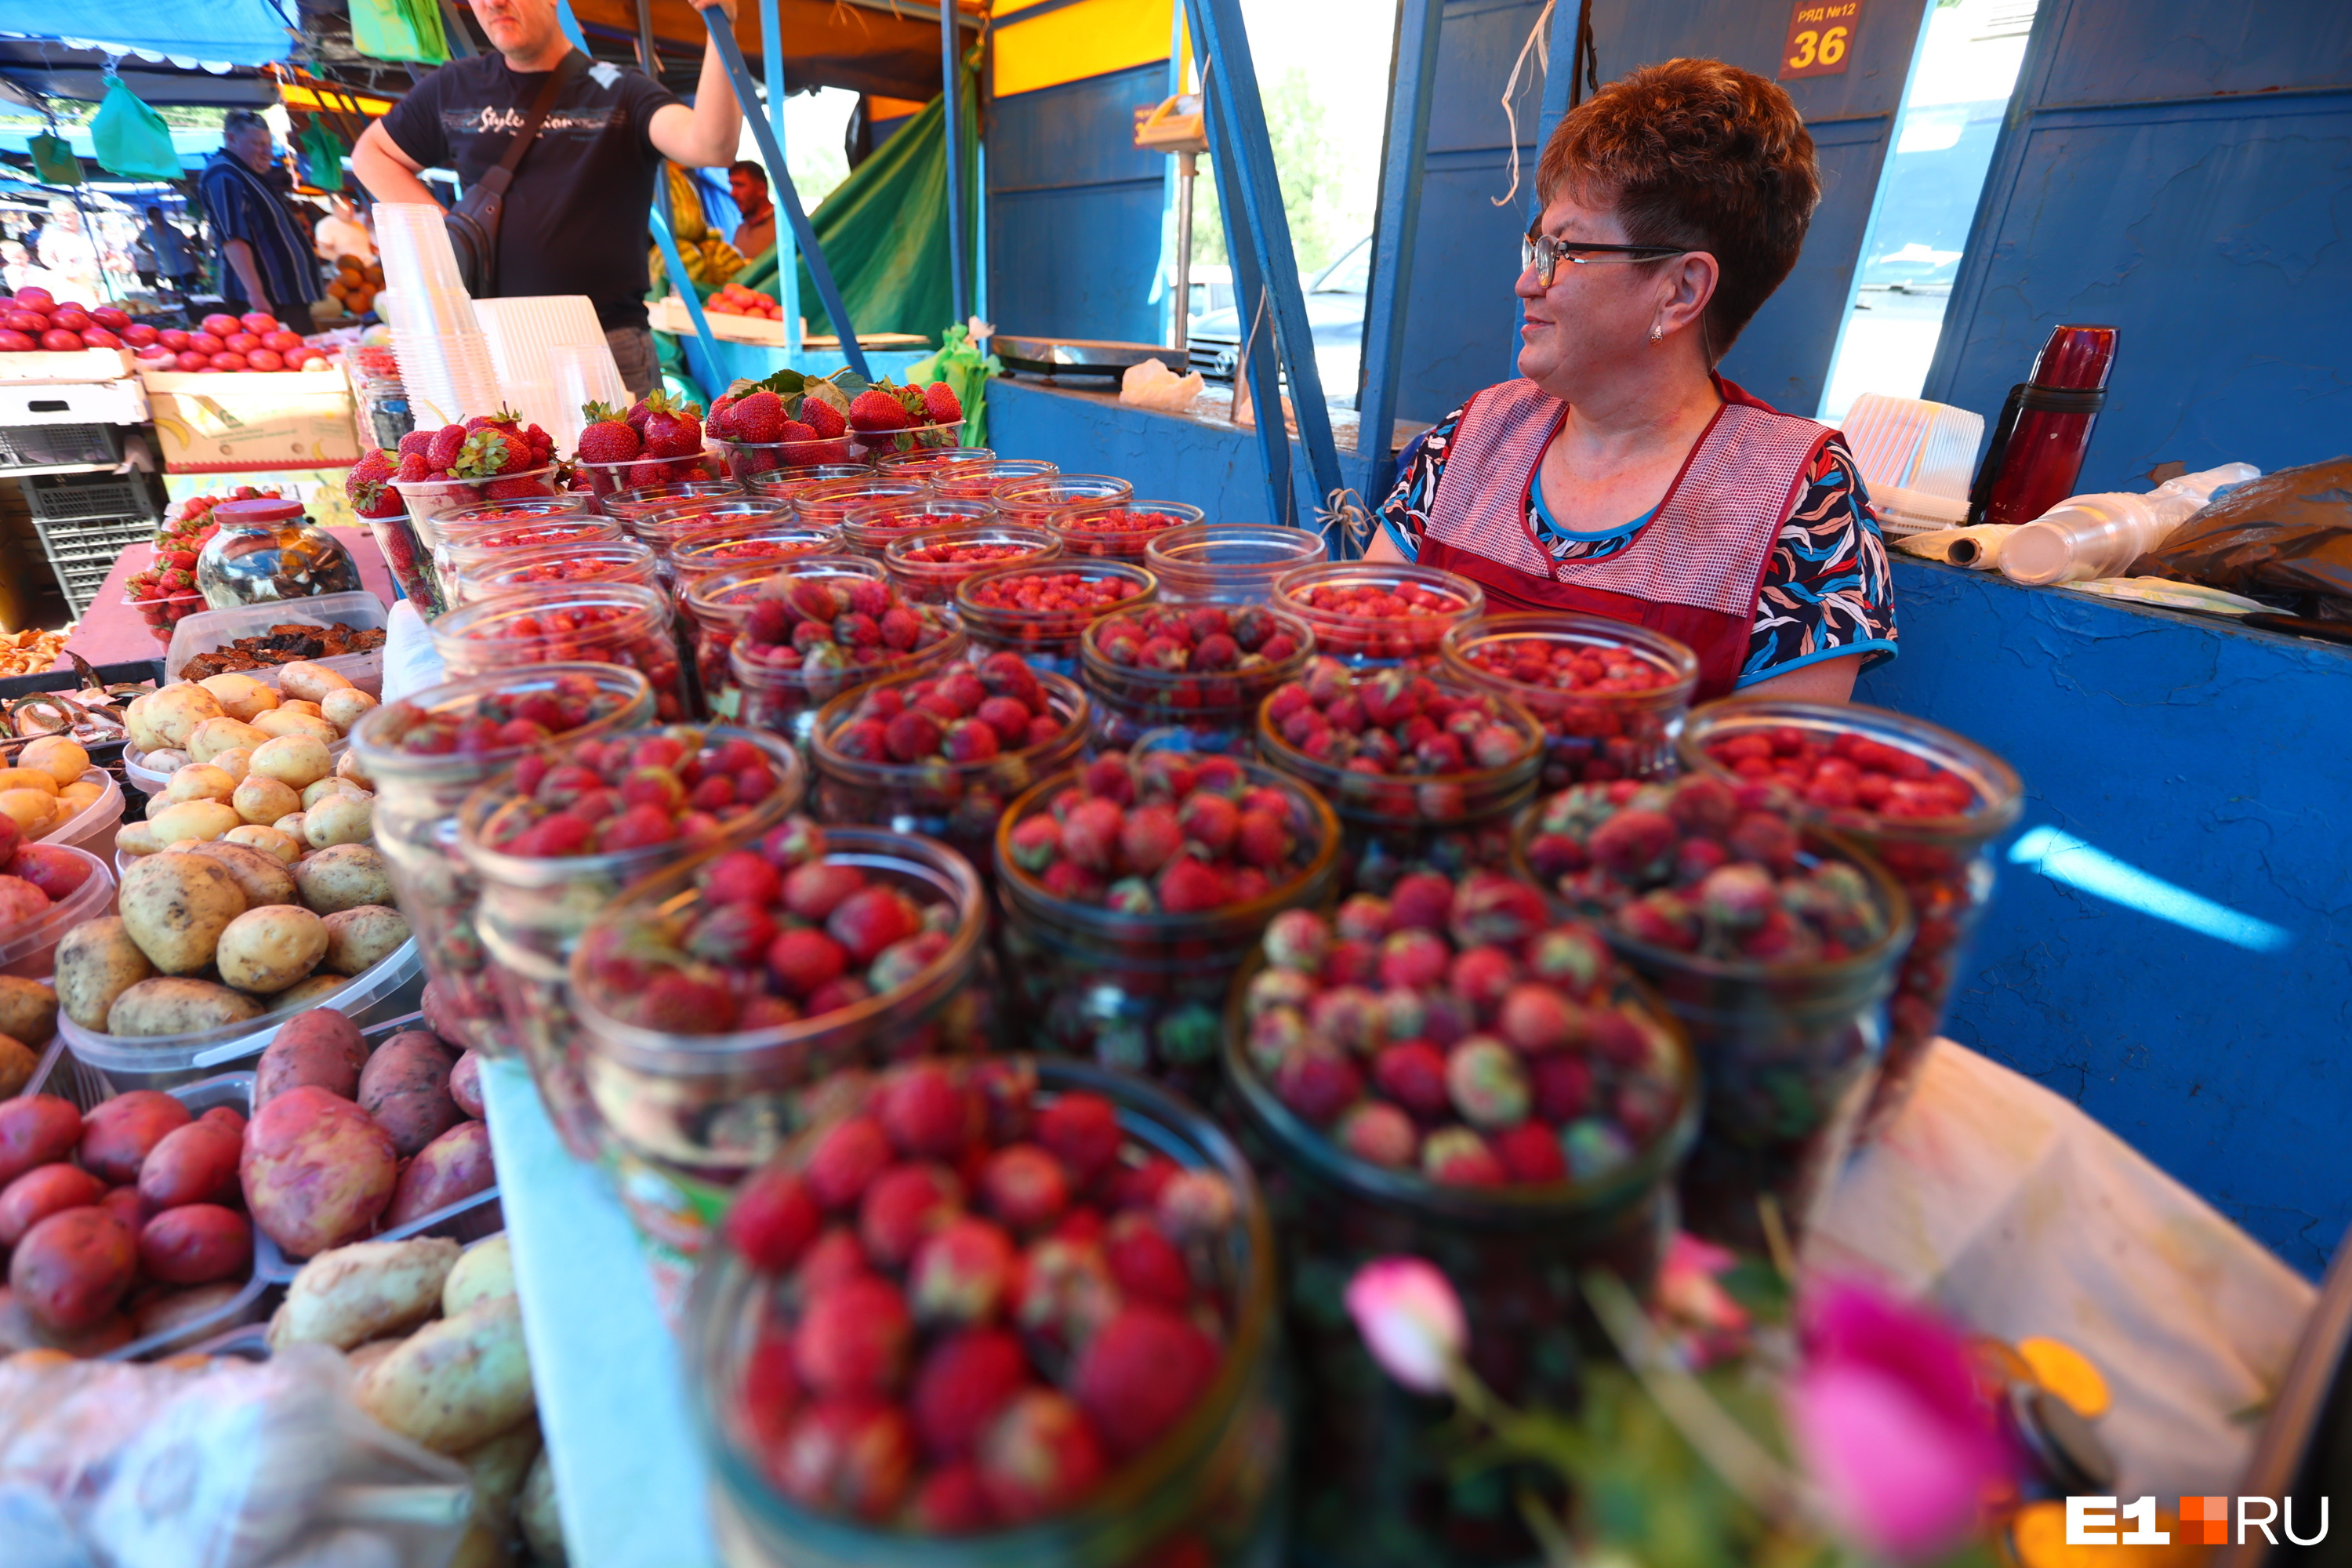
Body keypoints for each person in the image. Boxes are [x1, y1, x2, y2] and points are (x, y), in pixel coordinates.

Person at [1370, 59, 1895, 702]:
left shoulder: (1800, 496)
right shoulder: (1471, 437)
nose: (1527, 283)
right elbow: (1361, 652)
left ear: (1681, 289)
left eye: (1563, 251)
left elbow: (1767, 782)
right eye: (1536, 249)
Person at [350, 0, 746, 395]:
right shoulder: (455, 86)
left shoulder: (618, 87)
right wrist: (448, 238)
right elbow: (372, 155)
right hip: (493, 346)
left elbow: (711, 147)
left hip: (606, 345)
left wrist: (720, 27)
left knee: (623, 458)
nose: (493, 2)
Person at [198, 111, 324, 328]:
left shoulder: (244, 173)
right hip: (269, 298)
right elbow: (233, 238)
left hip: (283, 295)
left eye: (268, 144)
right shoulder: (224, 176)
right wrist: (255, 293)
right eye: (258, 144)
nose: (268, 152)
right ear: (231, 139)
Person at [140, 205, 201, 299]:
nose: (159, 219)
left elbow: (191, 249)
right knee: (179, 296)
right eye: (156, 217)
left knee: (193, 296)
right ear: (151, 219)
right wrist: (150, 252)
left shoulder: (175, 231)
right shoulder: (149, 232)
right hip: (170, 270)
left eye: (160, 216)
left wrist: (197, 268)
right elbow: (138, 242)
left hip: (187, 268)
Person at [728, 159, 775, 259]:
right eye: (732, 185)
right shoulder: (740, 231)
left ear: (761, 189)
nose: (732, 193)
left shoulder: (784, 227)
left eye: (739, 185)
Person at [315, 192, 376, 266]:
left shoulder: (358, 225)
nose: (351, 211)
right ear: (335, 208)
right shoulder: (326, 225)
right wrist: (349, 263)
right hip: (349, 271)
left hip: (368, 267)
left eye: (352, 208)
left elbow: (369, 245)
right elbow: (324, 251)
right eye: (347, 208)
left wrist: (379, 253)